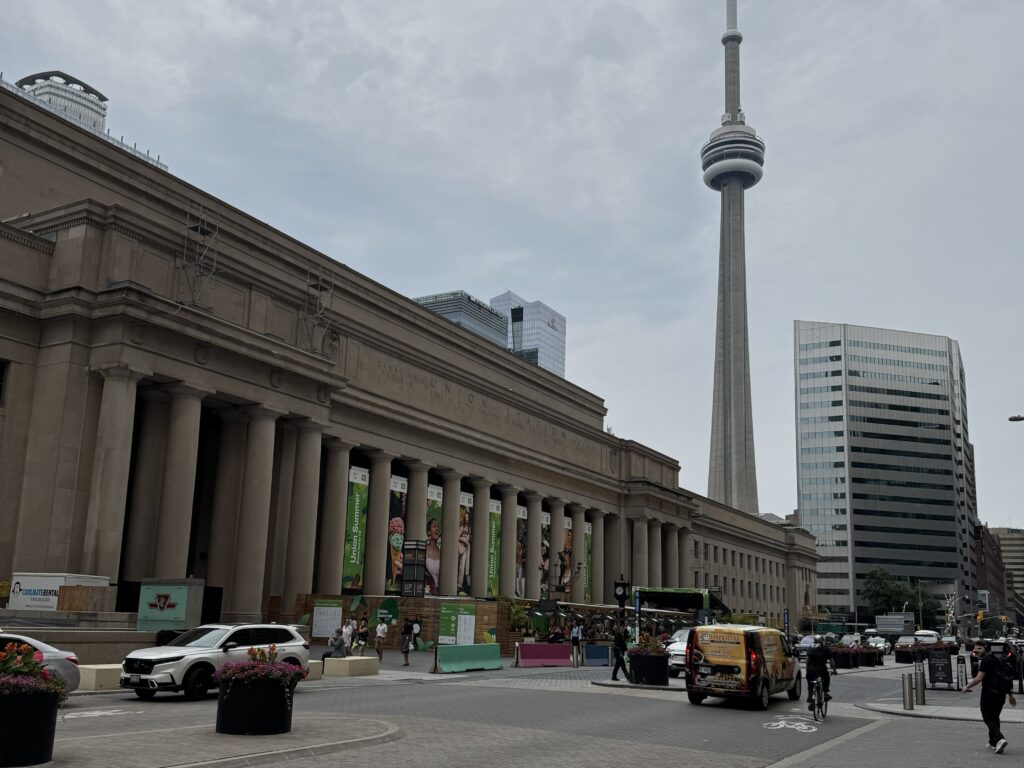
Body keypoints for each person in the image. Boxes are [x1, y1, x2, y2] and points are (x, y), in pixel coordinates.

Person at [964, 641, 1017, 753]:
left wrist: (967, 686)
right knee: (994, 717)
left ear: (986, 649)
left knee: (987, 717)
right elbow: (1005, 677)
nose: (976, 651)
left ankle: (999, 739)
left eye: (979, 648)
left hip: (989, 693)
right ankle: (992, 742)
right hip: (1001, 694)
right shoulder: (997, 659)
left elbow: (979, 678)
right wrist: (1010, 695)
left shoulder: (985, 661)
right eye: (975, 648)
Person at [805, 634, 837, 712]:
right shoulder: (825, 649)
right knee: (826, 677)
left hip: (811, 669)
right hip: (821, 668)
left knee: (810, 683)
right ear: (823, 641)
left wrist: (807, 670)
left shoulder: (810, 648)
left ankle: (810, 697)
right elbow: (832, 662)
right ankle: (825, 693)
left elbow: (807, 661)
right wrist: (834, 670)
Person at [425, 518, 441, 596]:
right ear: (429, 532)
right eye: (434, 526)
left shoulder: (442, 552)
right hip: (428, 592)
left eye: (438, 527)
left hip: (440, 592)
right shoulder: (424, 550)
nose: (437, 528)